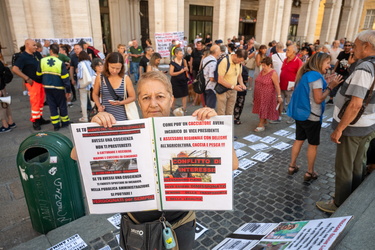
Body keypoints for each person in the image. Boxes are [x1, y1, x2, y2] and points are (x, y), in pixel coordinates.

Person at [85, 71, 239, 250]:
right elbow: (77, 155)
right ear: (138, 101)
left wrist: (216, 127)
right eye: (146, 97)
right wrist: (94, 127)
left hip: (179, 224)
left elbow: (233, 164)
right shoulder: (124, 133)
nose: (153, 104)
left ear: (171, 99)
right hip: (137, 226)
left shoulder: (191, 130)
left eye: (160, 96)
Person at [316, 30, 375, 213]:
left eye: (356, 45)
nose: (352, 49)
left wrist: (340, 128)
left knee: (344, 166)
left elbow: (355, 104)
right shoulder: (368, 65)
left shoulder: (365, 69)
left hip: (353, 126)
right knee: (358, 163)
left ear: (366, 46)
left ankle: (339, 203)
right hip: (368, 124)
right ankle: (353, 197)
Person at [287, 52, 342, 182]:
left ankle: (291, 166)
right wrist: (330, 86)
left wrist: (325, 82)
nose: (329, 66)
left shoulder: (306, 74)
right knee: (313, 145)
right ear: (319, 62)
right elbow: (318, 99)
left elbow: (311, 91)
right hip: (312, 116)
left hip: (301, 114)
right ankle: (309, 172)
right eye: (327, 63)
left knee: (298, 140)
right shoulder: (315, 76)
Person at [12, 39, 50, 130]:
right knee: (35, 102)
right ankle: (35, 121)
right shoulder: (23, 57)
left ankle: (40, 118)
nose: (36, 47)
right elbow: (15, 69)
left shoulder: (36, 54)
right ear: (27, 45)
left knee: (40, 101)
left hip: (40, 81)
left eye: (36, 45)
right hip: (33, 82)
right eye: (34, 45)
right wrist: (26, 78)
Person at [36, 44, 72, 131]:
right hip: (59, 88)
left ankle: (56, 125)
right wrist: (68, 90)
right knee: (62, 105)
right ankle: (65, 122)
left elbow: (38, 74)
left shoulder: (42, 61)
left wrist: (44, 80)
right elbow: (65, 78)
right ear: (58, 52)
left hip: (47, 87)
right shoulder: (60, 63)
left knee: (52, 106)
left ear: (50, 51)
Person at [92, 52, 136, 121]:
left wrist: (121, 102)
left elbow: (133, 97)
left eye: (118, 68)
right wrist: (99, 106)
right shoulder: (100, 77)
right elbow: (95, 94)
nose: (115, 71)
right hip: (106, 117)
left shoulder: (125, 78)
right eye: (112, 67)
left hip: (123, 116)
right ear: (107, 65)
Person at [252, 57, 283, 132]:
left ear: (270, 65)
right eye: (262, 65)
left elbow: (277, 85)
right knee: (260, 108)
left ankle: (261, 124)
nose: (263, 67)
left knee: (263, 108)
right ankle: (264, 120)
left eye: (264, 65)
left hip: (267, 94)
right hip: (259, 94)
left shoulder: (273, 73)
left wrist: (279, 96)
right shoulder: (262, 71)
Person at [279, 44, 303, 122]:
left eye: (288, 50)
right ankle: (278, 117)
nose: (286, 51)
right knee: (280, 101)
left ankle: (292, 117)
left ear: (294, 52)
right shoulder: (285, 60)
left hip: (290, 86)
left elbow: (300, 75)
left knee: (290, 103)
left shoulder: (298, 61)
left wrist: (296, 85)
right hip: (281, 84)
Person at [77, 51, 95, 122]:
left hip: (83, 86)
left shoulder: (80, 64)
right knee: (92, 101)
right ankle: (94, 115)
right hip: (91, 85)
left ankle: (85, 117)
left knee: (83, 102)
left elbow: (80, 75)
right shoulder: (90, 63)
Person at [169, 48, 189, 112]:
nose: (182, 55)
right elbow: (171, 73)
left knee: (184, 95)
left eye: (182, 53)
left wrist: (186, 69)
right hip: (175, 81)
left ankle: (184, 108)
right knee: (174, 96)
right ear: (176, 54)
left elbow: (186, 69)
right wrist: (181, 71)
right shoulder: (173, 63)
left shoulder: (184, 61)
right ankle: (172, 108)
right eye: (180, 53)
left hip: (183, 80)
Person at [0, 61, 16, 133]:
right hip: (2, 86)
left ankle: (5, 125)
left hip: (0, 87)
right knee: (5, 104)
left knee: (1, 107)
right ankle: (10, 122)